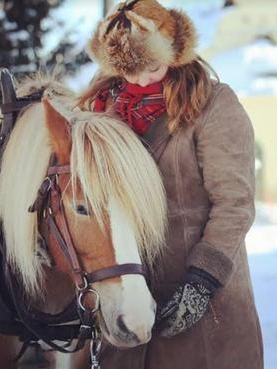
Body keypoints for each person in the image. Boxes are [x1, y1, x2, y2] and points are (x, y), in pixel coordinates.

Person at [77, 1, 262, 368]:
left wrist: (201, 281)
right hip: (128, 306)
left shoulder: (214, 105)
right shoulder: (98, 111)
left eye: (152, 66)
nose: (143, 80)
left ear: (176, 53)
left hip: (206, 313)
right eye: (129, 72)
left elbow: (234, 204)